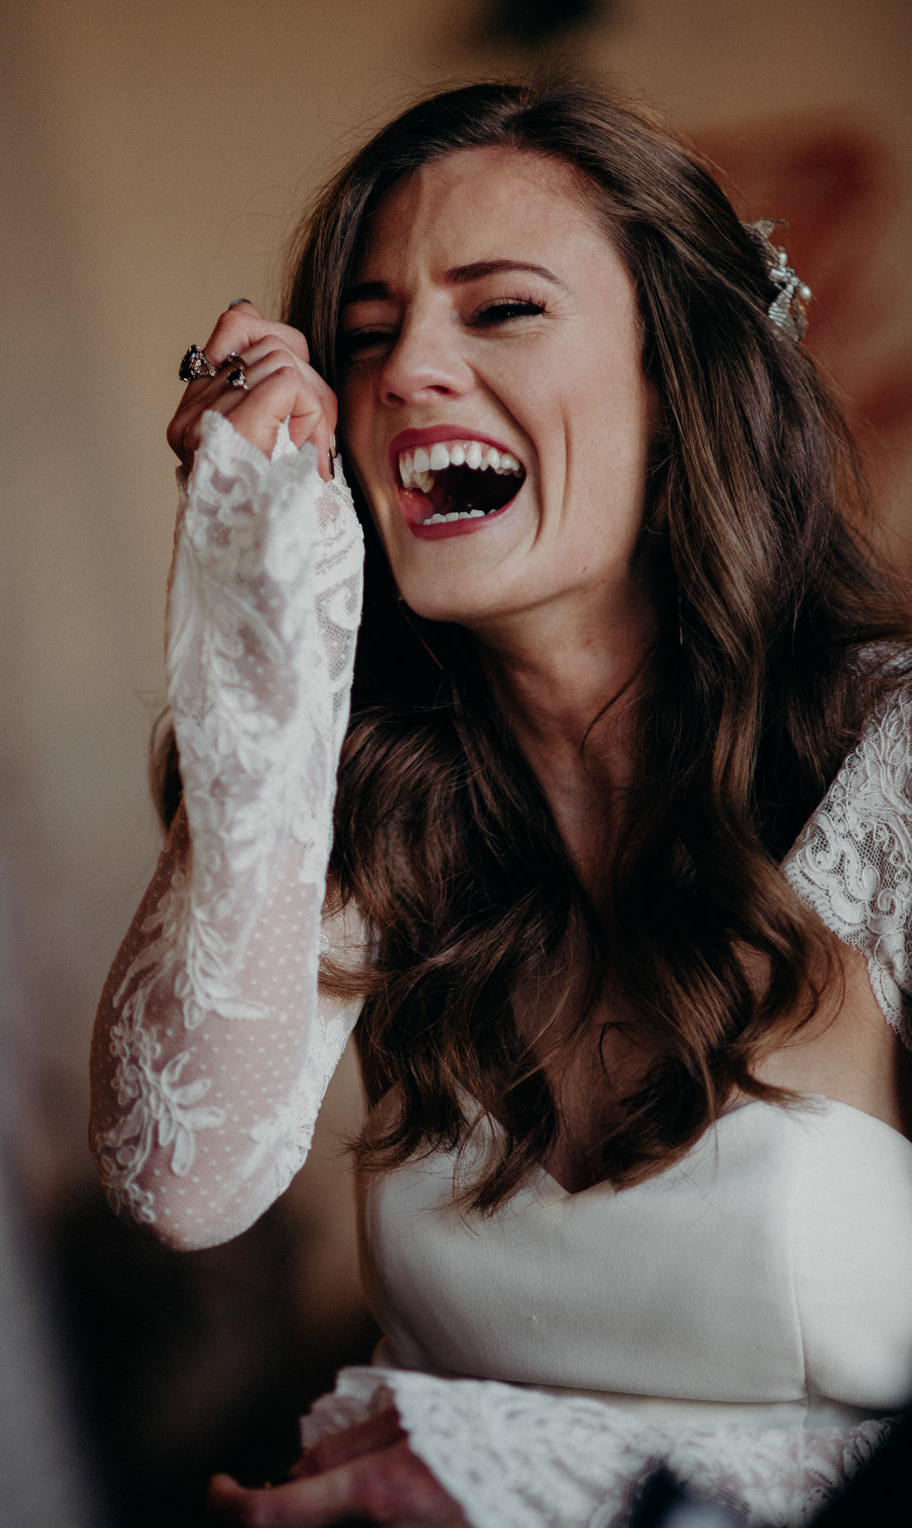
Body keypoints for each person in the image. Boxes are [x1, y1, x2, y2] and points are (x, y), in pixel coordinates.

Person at [89, 81, 912, 1527]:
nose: (406, 371)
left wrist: (496, 1490)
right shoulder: (377, 815)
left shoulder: (890, 762)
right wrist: (259, 612)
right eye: (363, 337)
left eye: (504, 310)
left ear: (683, 379)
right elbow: (180, 1179)